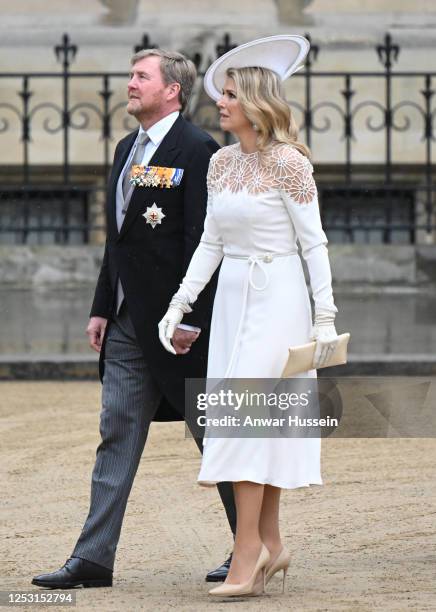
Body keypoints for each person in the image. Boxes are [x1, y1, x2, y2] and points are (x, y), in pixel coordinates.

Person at [32, 48, 236, 589]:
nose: (130, 84)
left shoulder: (199, 150)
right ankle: (93, 559)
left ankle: (252, 549)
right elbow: (117, 240)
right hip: (125, 323)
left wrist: (191, 317)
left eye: (140, 76)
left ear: (172, 90)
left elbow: (203, 243)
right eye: (131, 75)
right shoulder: (127, 147)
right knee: (116, 433)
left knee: (215, 435)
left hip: (180, 327)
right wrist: (103, 306)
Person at [158, 35, 339, 598]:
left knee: (248, 419)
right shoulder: (219, 162)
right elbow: (210, 241)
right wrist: (179, 302)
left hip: (279, 298)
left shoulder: (289, 164)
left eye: (231, 95)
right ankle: (273, 544)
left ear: (257, 99)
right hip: (234, 299)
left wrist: (325, 318)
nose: (222, 104)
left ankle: (248, 553)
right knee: (252, 420)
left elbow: (315, 245)